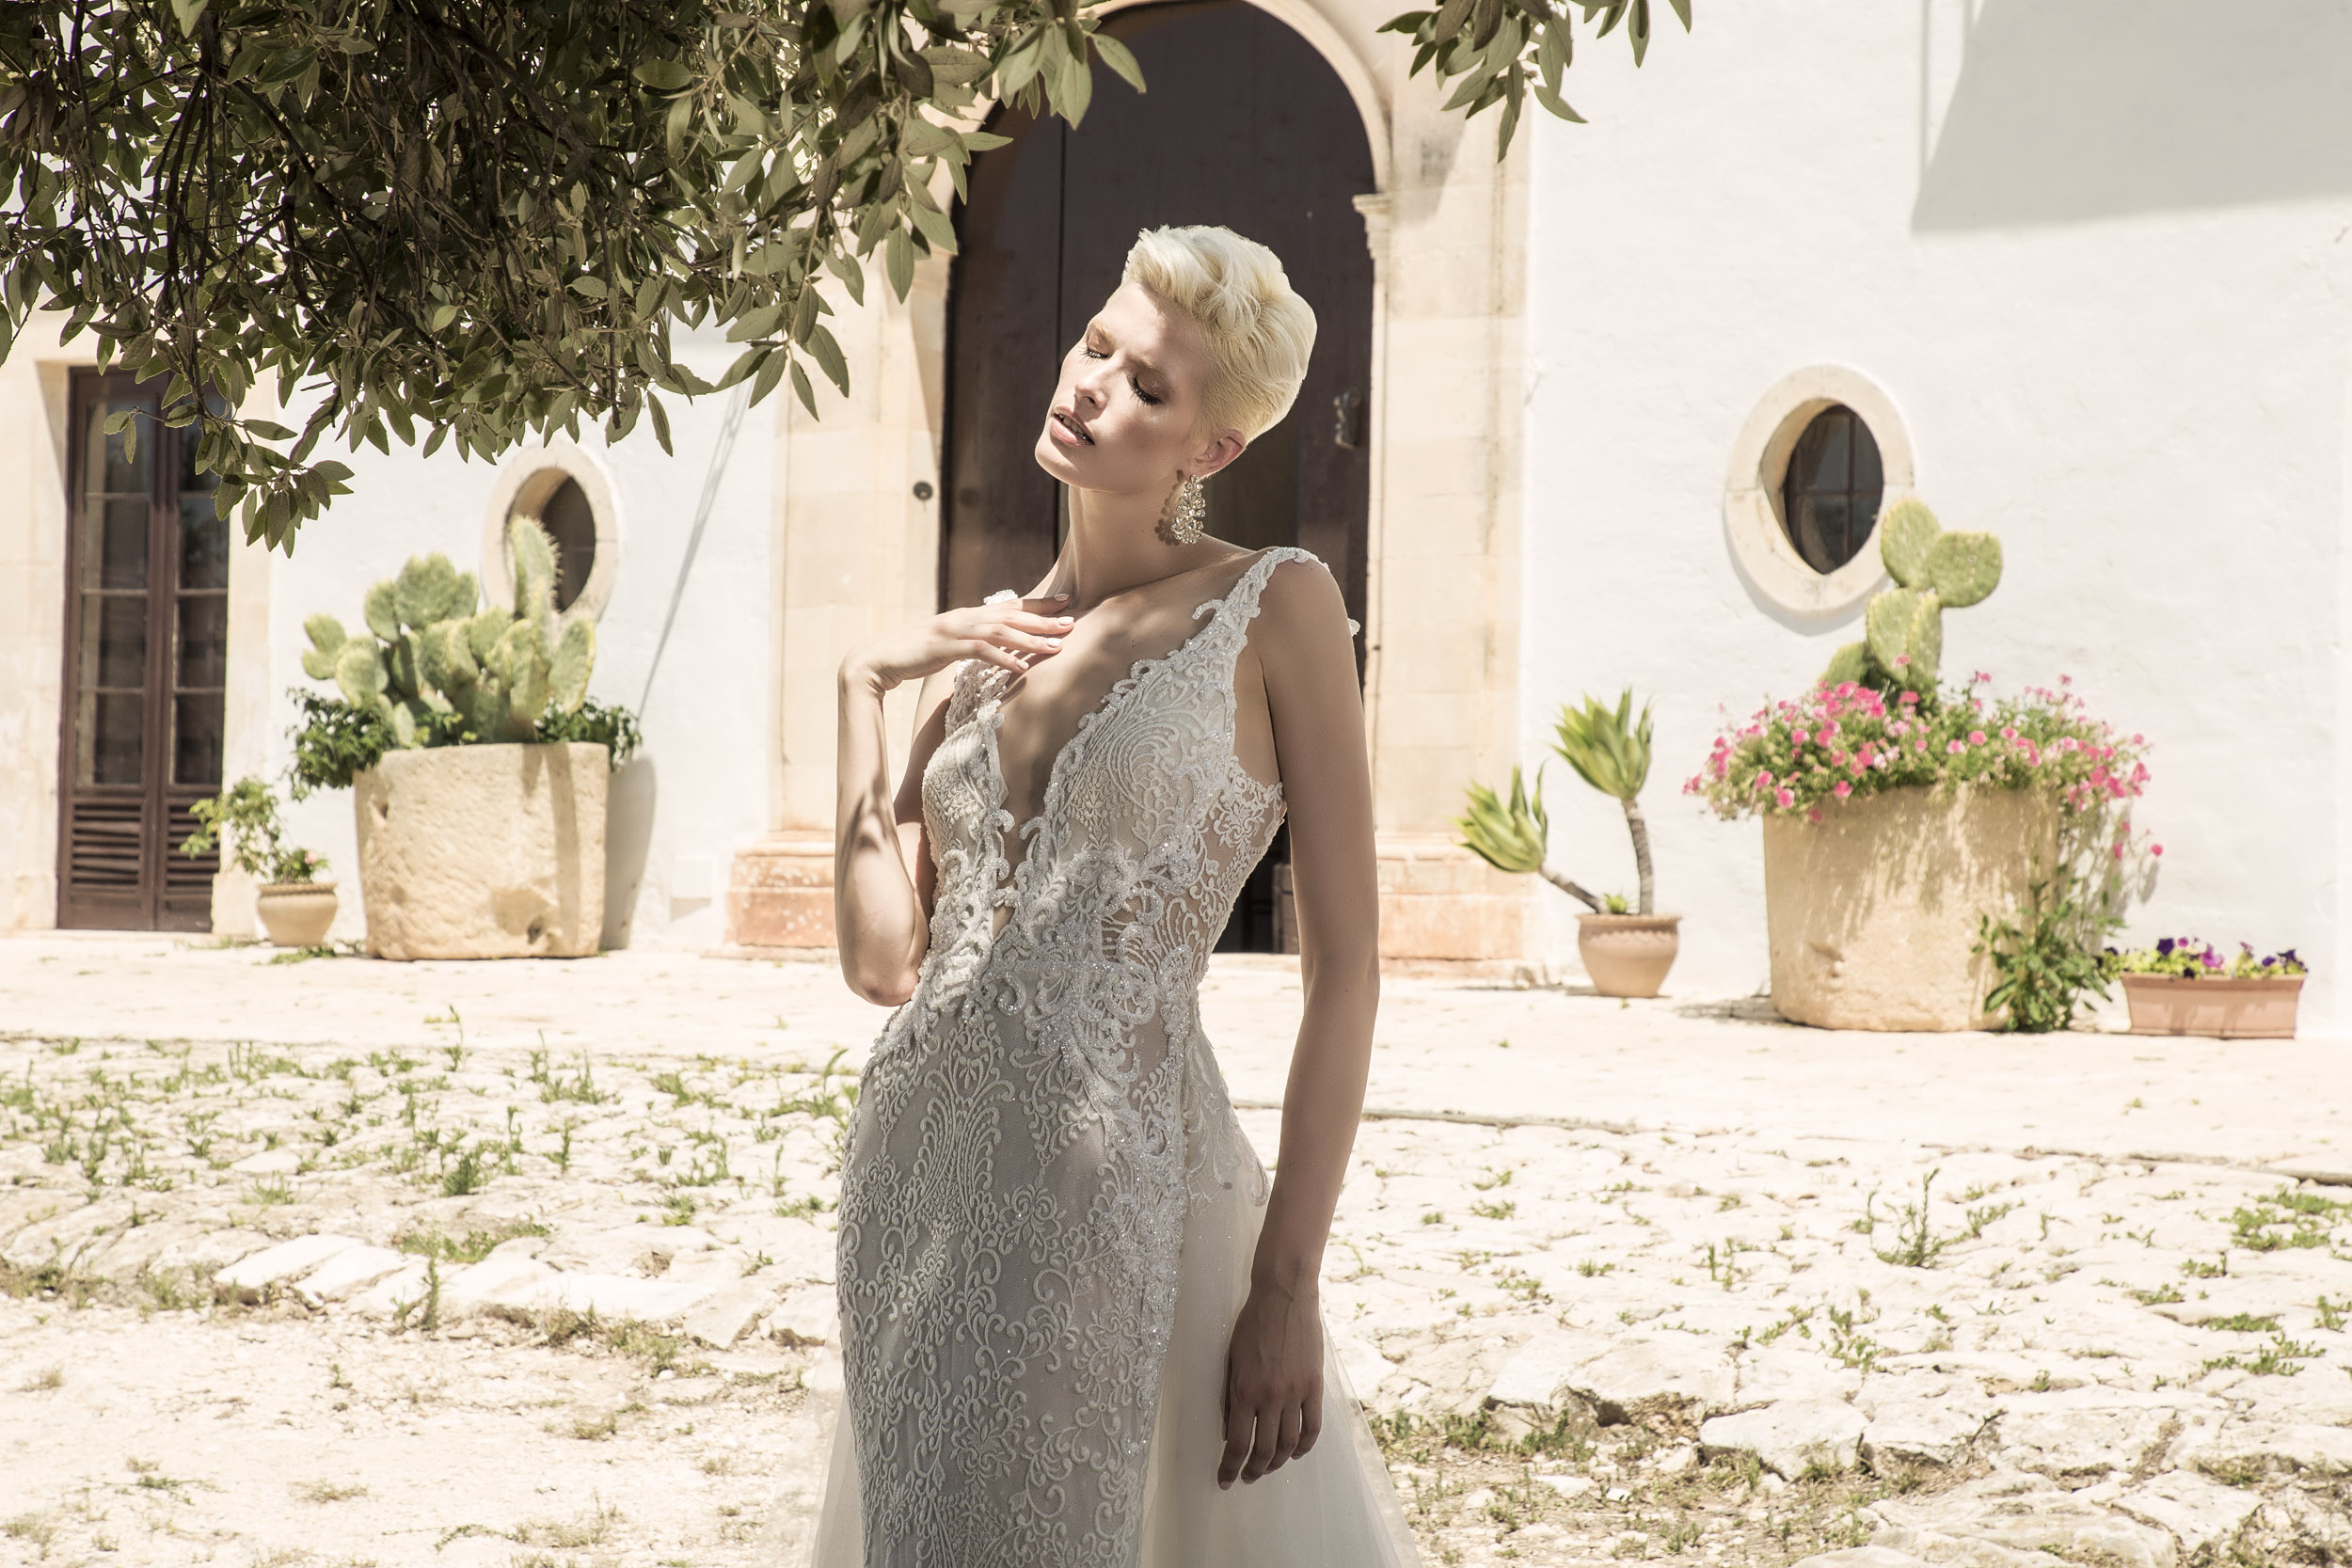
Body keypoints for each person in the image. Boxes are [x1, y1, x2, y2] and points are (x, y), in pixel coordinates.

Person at [812, 224, 1419, 1568]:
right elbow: (884, 963)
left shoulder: (1276, 605)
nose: (1091, 386)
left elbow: (1348, 973)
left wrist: (1286, 1283)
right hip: (916, 1180)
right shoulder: (988, 649)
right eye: (1096, 346)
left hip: (1118, 1187)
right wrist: (863, 687)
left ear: (1213, 448)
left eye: (1147, 385)